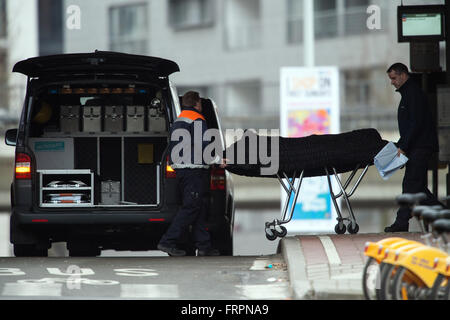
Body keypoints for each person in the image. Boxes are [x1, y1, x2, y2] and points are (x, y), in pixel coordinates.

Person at [157, 91, 226, 256]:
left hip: (182, 170)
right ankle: (167, 241)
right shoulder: (197, 119)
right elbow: (203, 146)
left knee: (198, 207)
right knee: (191, 207)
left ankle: (204, 246)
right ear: (197, 103)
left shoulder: (179, 119)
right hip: (192, 170)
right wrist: (218, 160)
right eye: (200, 103)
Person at [384, 63, 443, 232]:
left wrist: (403, 147)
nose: (392, 82)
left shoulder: (413, 94)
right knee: (419, 190)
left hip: (420, 147)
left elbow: (415, 124)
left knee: (410, 184)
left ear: (403, 75)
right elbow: (411, 125)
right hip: (417, 146)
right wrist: (403, 145)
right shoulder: (409, 93)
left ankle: (401, 222)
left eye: (394, 78)